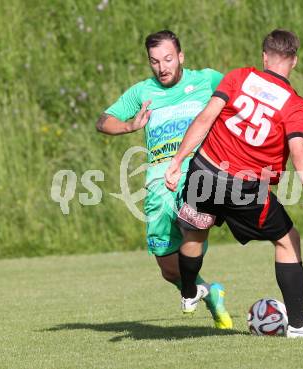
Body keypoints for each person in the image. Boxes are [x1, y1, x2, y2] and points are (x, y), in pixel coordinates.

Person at [165, 29, 303, 337]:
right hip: (243, 187)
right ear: (294, 61)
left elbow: (206, 117)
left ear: (264, 56)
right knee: (288, 240)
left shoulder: (238, 77)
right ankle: (299, 324)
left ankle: (190, 290)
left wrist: (178, 160)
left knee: (195, 229)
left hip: (203, 168)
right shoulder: (294, 104)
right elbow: (299, 152)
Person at [96, 30, 232, 329]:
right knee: (168, 269)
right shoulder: (142, 92)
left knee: (192, 226)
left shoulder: (207, 80)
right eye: (155, 61)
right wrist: (131, 124)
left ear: (181, 56)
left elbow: (240, 100)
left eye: (168, 59)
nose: (162, 67)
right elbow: (103, 121)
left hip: (198, 174)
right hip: (157, 185)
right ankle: (209, 294)